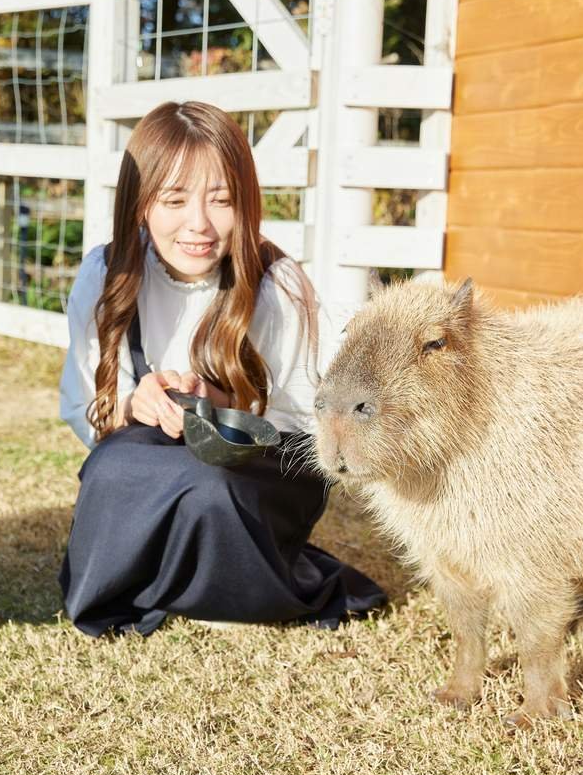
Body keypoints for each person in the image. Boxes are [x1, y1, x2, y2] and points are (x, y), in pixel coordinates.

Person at [58, 101, 386, 636]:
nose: (200, 226)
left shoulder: (276, 284)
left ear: (246, 203)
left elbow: (310, 430)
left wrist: (226, 407)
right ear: (140, 204)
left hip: (255, 470)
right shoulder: (105, 272)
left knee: (212, 481)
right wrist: (135, 404)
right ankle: (178, 581)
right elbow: (82, 410)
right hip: (156, 460)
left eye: (222, 200)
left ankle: (212, 584)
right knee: (111, 468)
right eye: (174, 200)